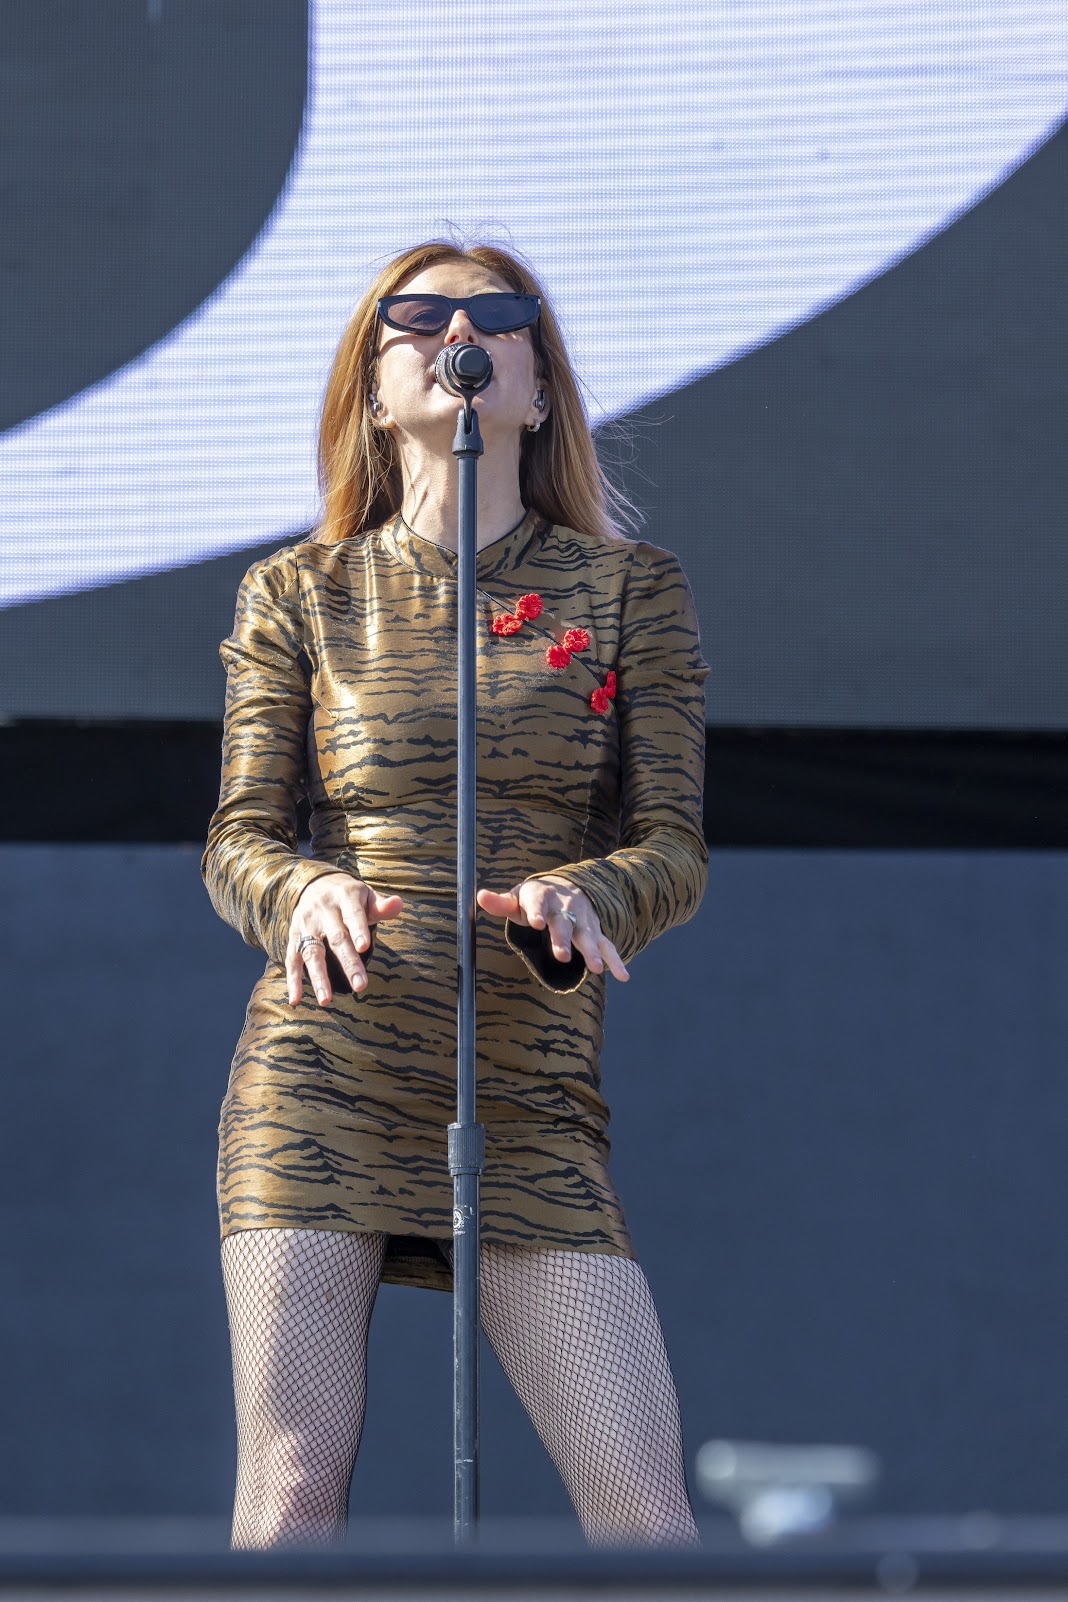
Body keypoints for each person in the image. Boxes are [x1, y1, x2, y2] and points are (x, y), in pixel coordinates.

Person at [201, 239, 711, 1550]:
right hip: (328, 1073)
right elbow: (240, 840)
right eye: (418, 316)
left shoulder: (630, 592)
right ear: (374, 391)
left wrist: (593, 894)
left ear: (538, 389)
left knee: (647, 1514)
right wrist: (303, 887)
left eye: (496, 316)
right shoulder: (298, 593)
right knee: (292, 1486)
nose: (457, 334)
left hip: (528, 1087)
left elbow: (673, 845)